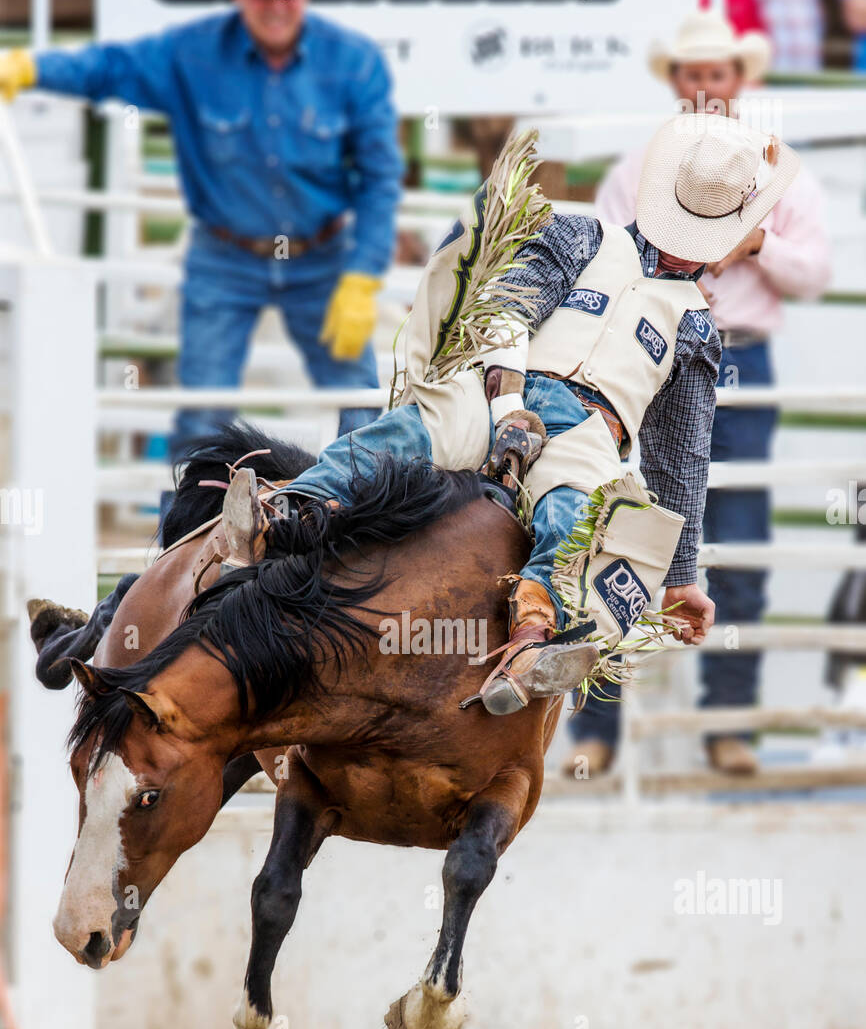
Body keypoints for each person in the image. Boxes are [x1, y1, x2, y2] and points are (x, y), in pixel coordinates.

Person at [274, 113, 798, 717]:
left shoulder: (695, 326)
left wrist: (679, 577)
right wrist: (509, 407)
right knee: (407, 434)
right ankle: (292, 509)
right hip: (511, 388)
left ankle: (531, 635)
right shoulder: (586, 238)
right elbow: (507, 311)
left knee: (574, 514)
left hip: (587, 429)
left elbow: (679, 457)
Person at [565, 8, 831, 778]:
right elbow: (609, 260)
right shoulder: (639, 170)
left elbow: (811, 270)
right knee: (625, 532)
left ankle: (726, 722)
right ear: (680, 82)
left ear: (737, 80)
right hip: (654, 359)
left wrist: (755, 243)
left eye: (715, 73)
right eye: (694, 73)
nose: (705, 85)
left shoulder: (770, 173)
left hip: (730, 356)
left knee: (732, 543)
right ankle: (604, 729)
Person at [0, 0, 403, 461]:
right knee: (200, 421)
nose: (276, 4)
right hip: (224, 258)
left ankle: (365, 525)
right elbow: (111, 67)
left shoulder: (353, 63)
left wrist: (362, 275)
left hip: (323, 257)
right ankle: (186, 530)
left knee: (359, 404)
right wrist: (33, 68)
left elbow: (381, 178)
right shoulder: (192, 55)